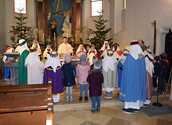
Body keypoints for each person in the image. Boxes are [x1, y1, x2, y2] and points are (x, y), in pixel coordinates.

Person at [120, 41, 147, 112]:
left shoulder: (129, 57)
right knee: (137, 90)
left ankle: (129, 106)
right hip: (138, 80)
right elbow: (143, 70)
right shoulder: (142, 56)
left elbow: (125, 68)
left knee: (130, 91)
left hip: (130, 80)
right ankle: (138, 106)